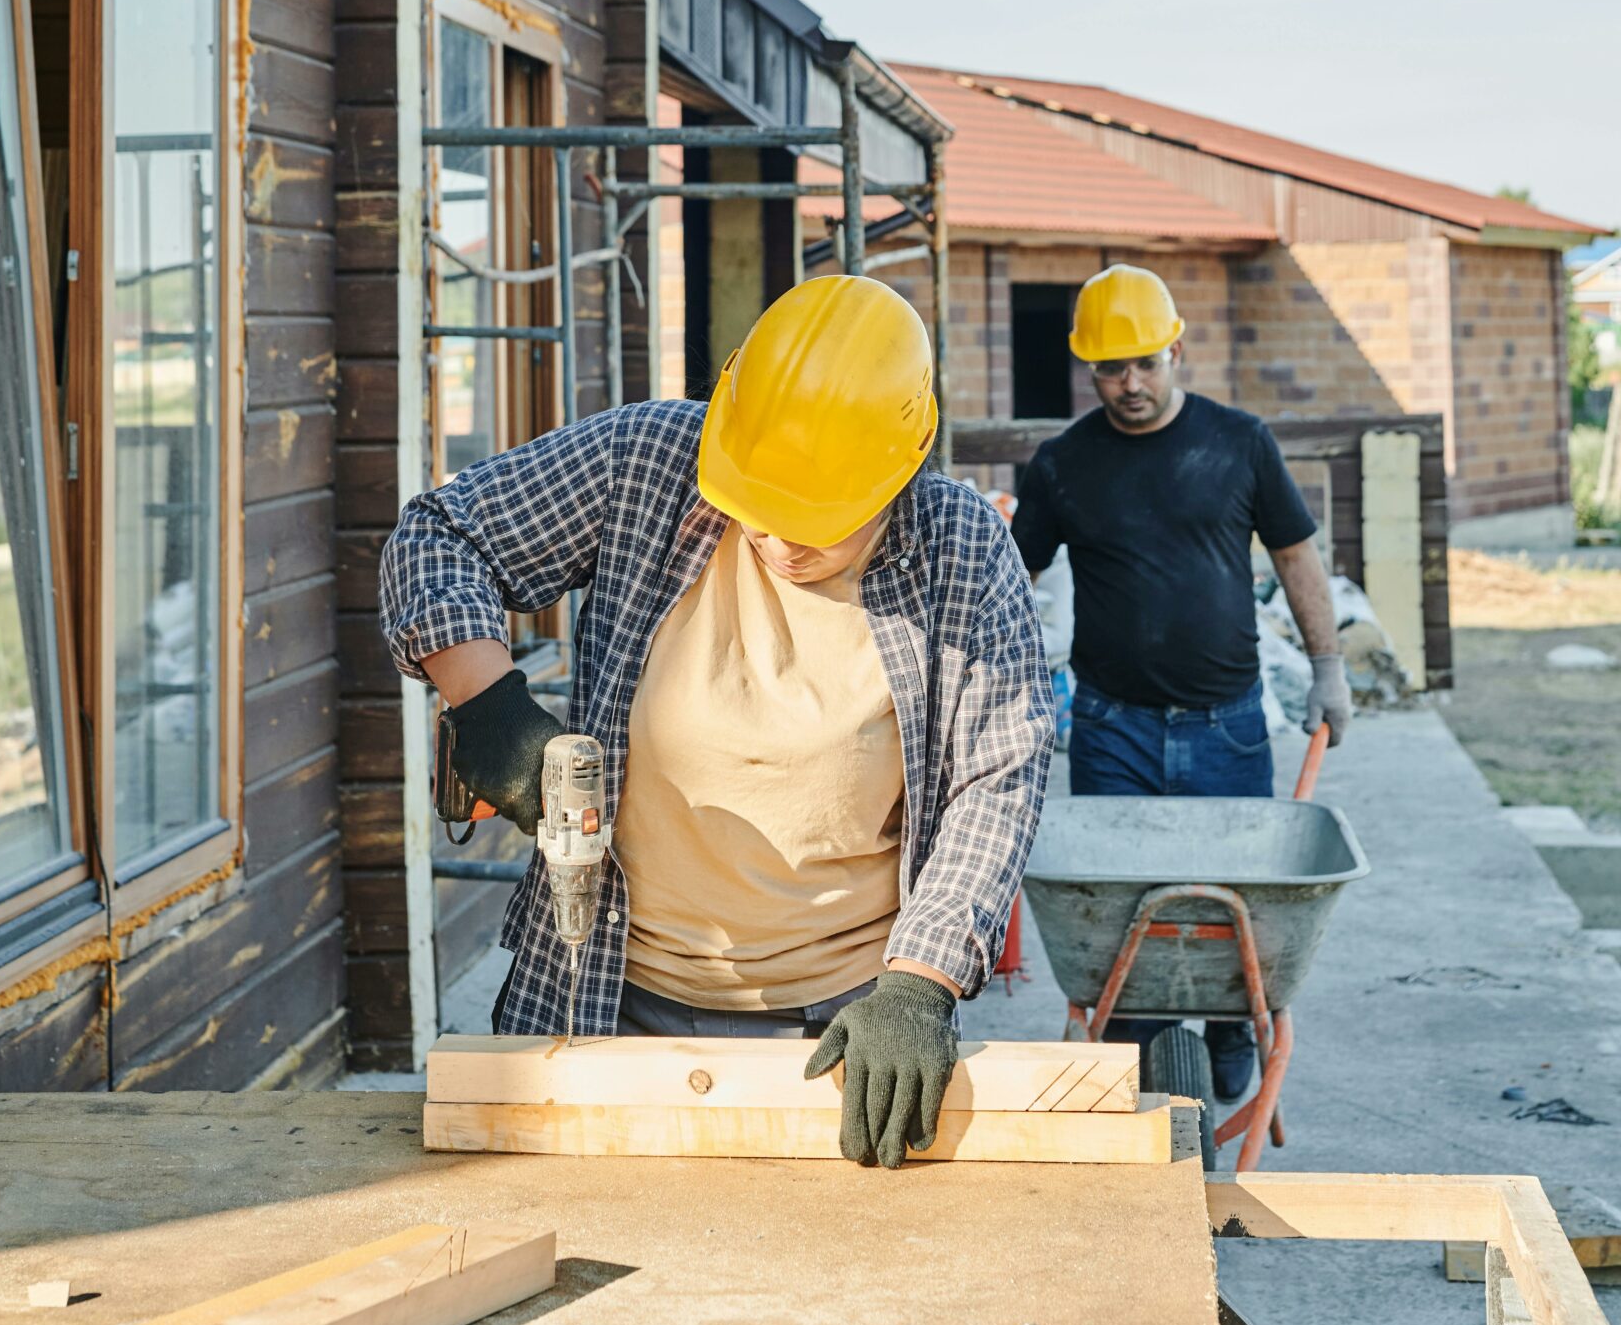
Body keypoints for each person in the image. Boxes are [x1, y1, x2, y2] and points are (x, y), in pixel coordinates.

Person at [380, 273, 1054, 1170]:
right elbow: (438, 536)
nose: (779, 541)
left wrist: (918, 985)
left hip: (843, 1023)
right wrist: (488, 701)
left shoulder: (960, 545)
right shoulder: (646, 462)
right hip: (596, 986)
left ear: (905, 462)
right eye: (759, 510)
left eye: (816, 520)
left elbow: (997, 777)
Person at [1010, 264, 1350, 1102]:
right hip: (1109, 726)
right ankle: (1145, 1056)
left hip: (1224, 725)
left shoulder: (1237, 442)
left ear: (1174, 349)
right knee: (1121, 912)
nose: (1129, 385)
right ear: (1088, 369)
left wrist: (1328, 665)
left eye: (1144, 364)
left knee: (1235, 903)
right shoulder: (1062, 465)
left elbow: (1294, 553)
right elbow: (1012, 575)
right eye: (1110, 369)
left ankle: (1232, 1023)